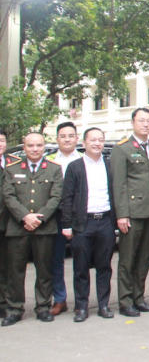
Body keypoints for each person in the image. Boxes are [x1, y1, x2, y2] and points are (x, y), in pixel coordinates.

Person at [1, 132, 62, 326]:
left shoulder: (54, 169)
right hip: (18, 228)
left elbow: (55, 197)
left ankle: (43, 307)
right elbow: (8, 196)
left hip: (44, 228)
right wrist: (25, 216)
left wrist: (39, 218)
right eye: (30, 146)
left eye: (39, 145)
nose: (35, 149)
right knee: (15, 272)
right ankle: (14, 309)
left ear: (44, 147)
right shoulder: (12, 169)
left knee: (44, 271)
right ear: (24, 147)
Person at [61, 127, 116, 321]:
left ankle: (103, 305)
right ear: (83, 143)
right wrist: (67, 224)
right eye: (92, 140)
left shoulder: (109, 165)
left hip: (106, 221)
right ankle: (81, 307)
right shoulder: (75, 167)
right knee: (81, 268)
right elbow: (66, 198)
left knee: (104, 266)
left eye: (100, 140)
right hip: (83, 224)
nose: (97, 143)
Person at [111, 108, 149, 316]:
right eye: (141, 121)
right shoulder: (121, 149)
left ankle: (138, 297)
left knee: (144, 259)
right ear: (133, 123)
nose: (146, 124)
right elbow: (119, 184)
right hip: (132, 213)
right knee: (128, 260)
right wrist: (122, 214)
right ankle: (125, 301)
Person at [47, 121, 82, 316]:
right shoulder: (50, 160)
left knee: (81, 259)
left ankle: (80, 300)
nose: (67, 139)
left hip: (80, 216)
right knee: (55, 259)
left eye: (71, 136)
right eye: (63, 136)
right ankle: (59, 299)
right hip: (57, 215)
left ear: (77, 138)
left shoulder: (86, 159)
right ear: (57, 139)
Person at [0, 128, 21, 320]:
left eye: (2, 141)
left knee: (7, 266)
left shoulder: (13, 163)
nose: (0, 145)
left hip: (8, 223)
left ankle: (5, 303)